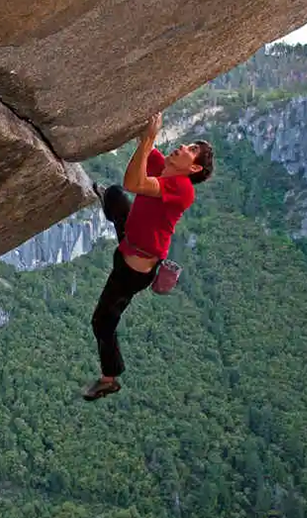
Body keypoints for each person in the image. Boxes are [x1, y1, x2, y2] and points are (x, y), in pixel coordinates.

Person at [83, 112, 214, 401]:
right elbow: (144, 150)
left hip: (133, 271)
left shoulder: (182, 189)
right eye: (190, 144)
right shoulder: (165, 166)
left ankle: (109, 378)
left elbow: (135, 182)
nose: (184, 147)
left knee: (102, 322)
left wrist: (150, 138)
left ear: (193, 169)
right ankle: (109, 202)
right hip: (130, 239)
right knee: (116, 196)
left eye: (192, 151)